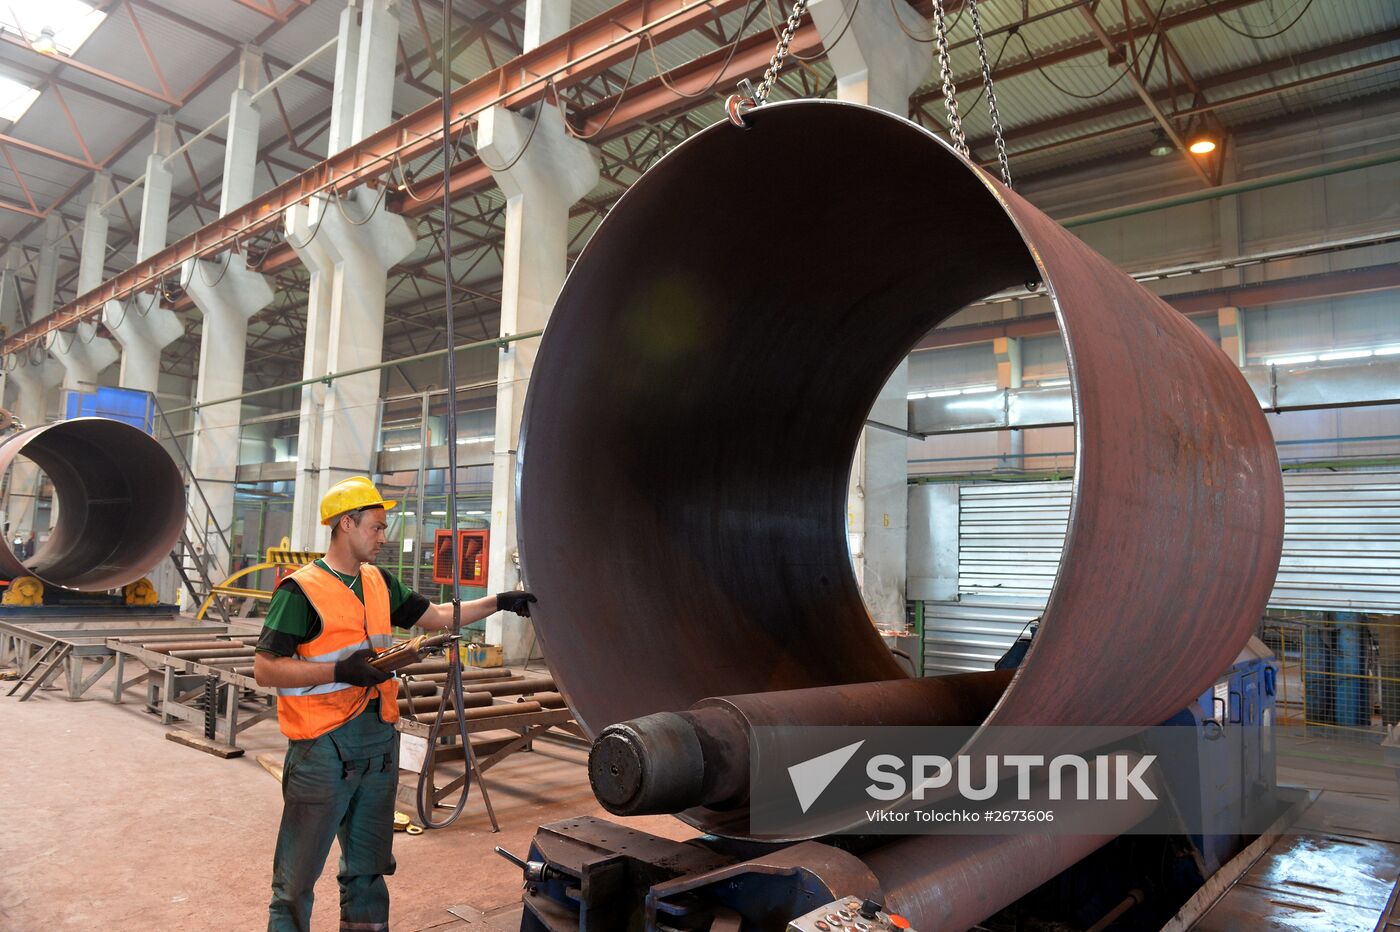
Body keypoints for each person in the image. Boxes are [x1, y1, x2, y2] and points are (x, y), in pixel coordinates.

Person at [253, 476, 535, 932]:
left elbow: (440, 616)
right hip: (322, 749)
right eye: (377, 528)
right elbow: (265, 669)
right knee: (294, 883)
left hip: (377, 743)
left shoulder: (379, 582)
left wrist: (500, 601)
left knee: (368, 872)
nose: (385, 538)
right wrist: (341, 670)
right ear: (348, 523)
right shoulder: (300, 590)